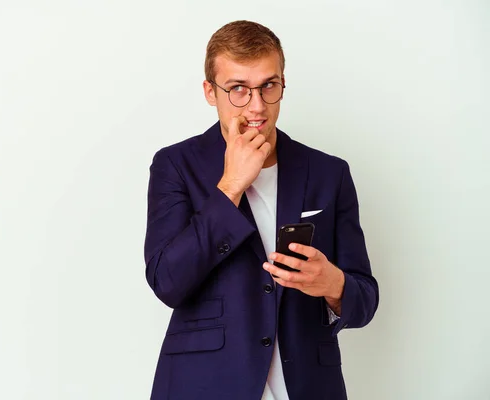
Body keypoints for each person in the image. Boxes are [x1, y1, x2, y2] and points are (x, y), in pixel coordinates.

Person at [143, 20, 379, 400]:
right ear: (210, 92)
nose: (257, 106)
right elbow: (167, 281)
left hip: (307, 386)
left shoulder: (328, 173)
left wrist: (332, 285)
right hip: (205, 385)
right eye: (238, 89)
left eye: (269, 85)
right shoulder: (175, 165)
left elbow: (365, 299)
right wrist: (231, 185)